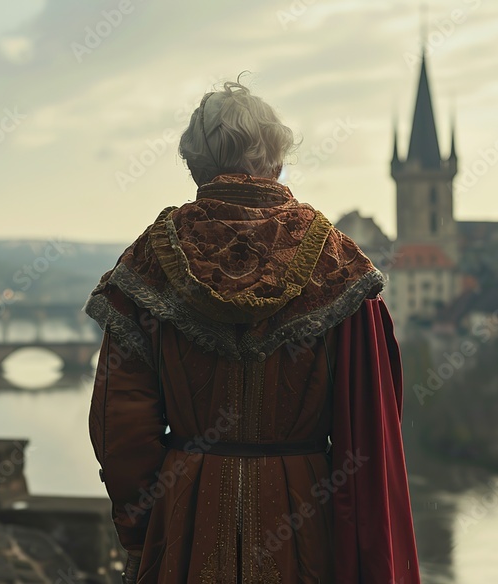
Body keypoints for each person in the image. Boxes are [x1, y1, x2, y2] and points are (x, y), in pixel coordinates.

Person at [85, 78, 420, 583]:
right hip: (306, 520)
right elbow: (369, 433)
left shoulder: (149, 260)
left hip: (186, 519)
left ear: (195, 165)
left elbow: (121, 430)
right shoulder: (336, 261)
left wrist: (146, 530)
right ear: (277, 161)